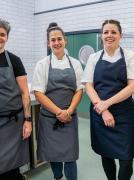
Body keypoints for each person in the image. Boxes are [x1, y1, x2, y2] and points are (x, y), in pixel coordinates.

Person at [82, 19, 134, 180]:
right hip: (100, 114)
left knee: (126, 160)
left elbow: (133, 86)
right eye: (106, 32)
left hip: (124, 114)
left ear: (120, 35)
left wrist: (106, 104)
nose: (109, 35)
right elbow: (88, 86)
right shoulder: (94, 57)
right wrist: (103, 110)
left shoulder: (129, 56)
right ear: (101, 35)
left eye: (113, 32)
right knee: (106, 154)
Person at [31, 22, 83, 180]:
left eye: (59, 39)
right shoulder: (42, 64)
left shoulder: (75, 63)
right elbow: (39, 93)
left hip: (69, 117)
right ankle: (58, 177)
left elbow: (79, 90)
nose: (56, 42)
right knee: (53, 154)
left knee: (70, 156)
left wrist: (68, 111)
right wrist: (58, 112)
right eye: (52, 40)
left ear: (65, 40)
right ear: (48, 43)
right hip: (49, 118)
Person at [0, 19, 32, 180]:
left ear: (7, 37)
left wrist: (28, 120)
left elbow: (25, 93)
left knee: (11, 166)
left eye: (2, 34)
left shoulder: (14, 60)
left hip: (13, 122)